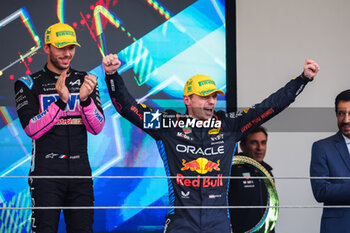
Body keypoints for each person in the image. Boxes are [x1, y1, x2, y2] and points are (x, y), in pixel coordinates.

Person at [103, 53, 319, 233]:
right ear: (187, 100)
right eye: (205, 96)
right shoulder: (168, 124)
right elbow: (129, 109)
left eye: (214, 96)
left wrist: (302, 79)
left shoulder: (229, 126)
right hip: (181, 224)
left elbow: (269, 107)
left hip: (218, 223)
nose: (212, 101)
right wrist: (112, 76)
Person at [14, 22, 104, 233]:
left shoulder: (86, 80)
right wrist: (60, 102)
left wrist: (84, 101)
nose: (67, 53)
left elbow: (97, 127)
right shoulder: (27, 83)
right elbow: (31, 129)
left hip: (81, 173)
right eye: (61, 47)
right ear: (47, 48)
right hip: (46, 174)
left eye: (71, 47)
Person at [310, 90, 350, 233]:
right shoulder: (322, 147)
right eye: (341, 113)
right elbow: (320, 190)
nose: (346, 120)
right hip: (338, 228)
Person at [228, 126, 275, 233]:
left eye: (263, 143)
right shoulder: (232, 171)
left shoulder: (268, 172)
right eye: (254, 142)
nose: (260, 148)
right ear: (242, 146)